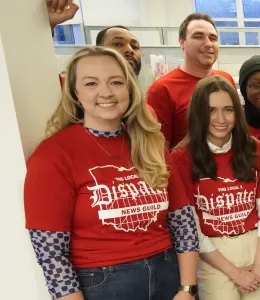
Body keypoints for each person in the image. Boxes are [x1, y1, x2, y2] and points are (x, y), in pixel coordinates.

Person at [24, 46, 200, 300]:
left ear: (129, 88)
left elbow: (183, 223)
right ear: (75, 92)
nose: (105, 92)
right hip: (102, 284)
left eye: (116, 82)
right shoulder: (53, 155)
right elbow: (51, 252)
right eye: (91, 83)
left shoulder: (150, 144)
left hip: (168, 272)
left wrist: (188, 289)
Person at [170, 76, 260, 299]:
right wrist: (234, 273)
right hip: (212, 254)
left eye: (228, 110)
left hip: (257, 246)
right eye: (211, 111)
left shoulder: (254, 148)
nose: (221, 119)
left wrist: (259, 266)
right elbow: (189, 226)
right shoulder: (181, 157)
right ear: (199, 114)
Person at [146, 13, 235, 149]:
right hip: (187, 168)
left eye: (213, 38)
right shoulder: (162, 88)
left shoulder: (225, 80)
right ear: (182, 42)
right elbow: (159, 150)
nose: (208, 44)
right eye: (198, 37)